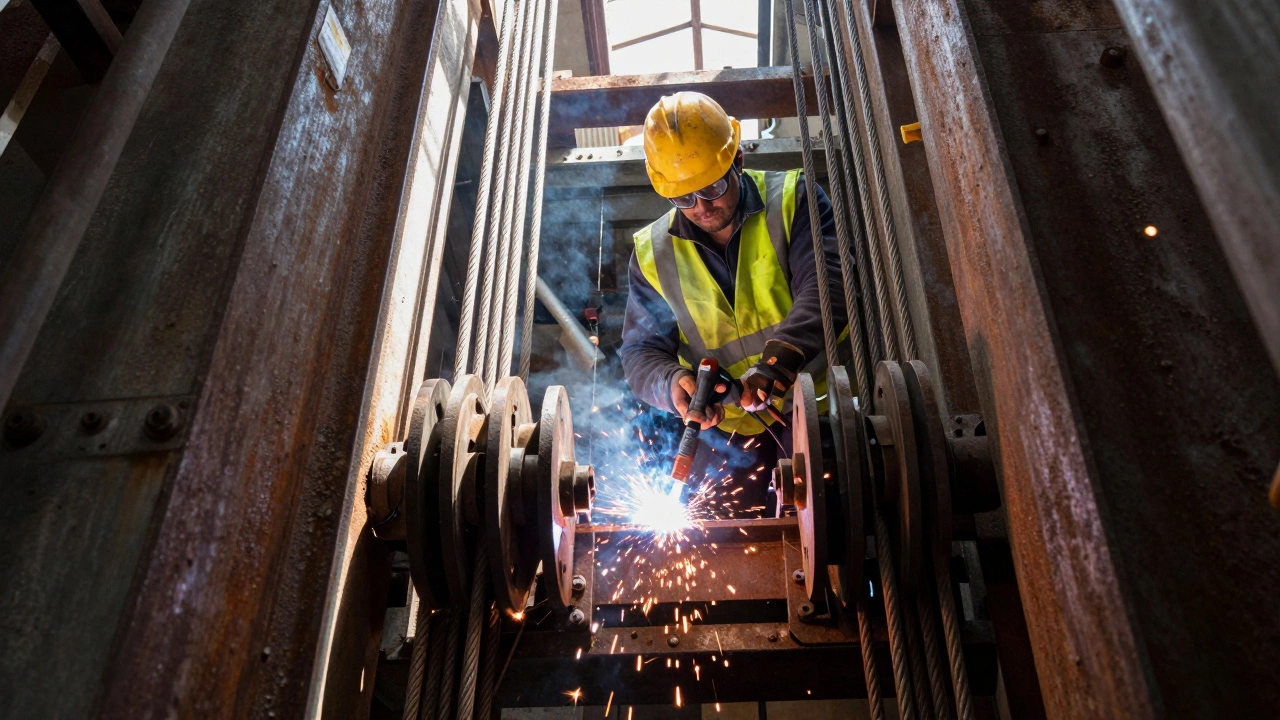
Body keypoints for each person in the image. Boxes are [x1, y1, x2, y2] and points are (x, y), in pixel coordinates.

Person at [619, 91, 848, 514]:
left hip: (821, 412)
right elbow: (640, 353)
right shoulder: (652, 253)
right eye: (684, 198)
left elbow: (827, 290)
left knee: (834, 526)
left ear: (737, 161)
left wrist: (775, 367)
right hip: (728, 435)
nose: (702, 208)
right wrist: (673, 385)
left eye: (712, 188)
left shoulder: (793, 199)